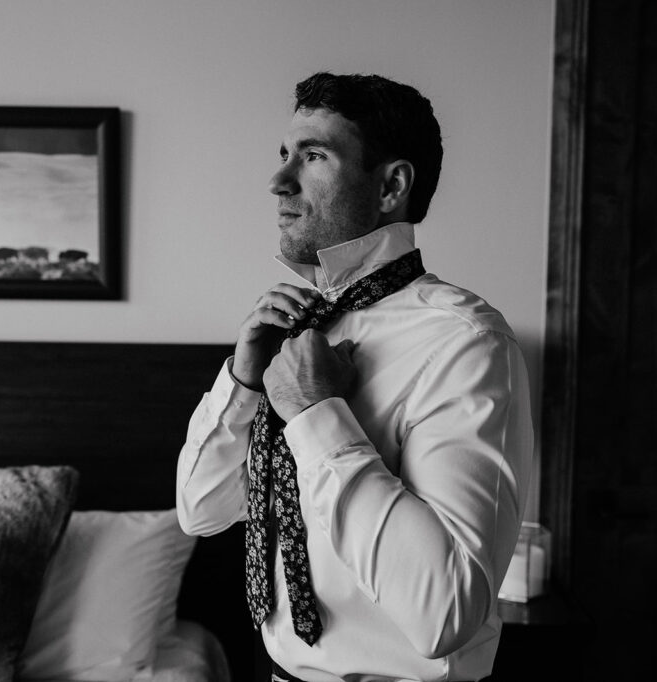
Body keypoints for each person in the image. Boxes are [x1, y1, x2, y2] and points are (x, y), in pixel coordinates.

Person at [176, 72, 534, 682]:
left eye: (314, 156)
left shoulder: (465, 343)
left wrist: (318, 416)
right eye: (285, 155)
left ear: (392, 185)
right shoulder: (290, 335)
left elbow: (446, 611)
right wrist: (242, 381)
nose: (278, 181)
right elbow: (201, 511)